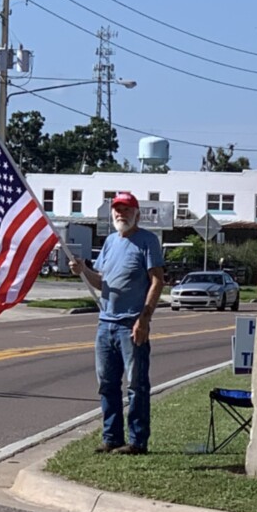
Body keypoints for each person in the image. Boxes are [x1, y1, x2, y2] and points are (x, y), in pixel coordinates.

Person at [70, 191, 165, 455]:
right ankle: (112, 437)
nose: (120, 214)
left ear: (137, 213)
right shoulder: (110, 242)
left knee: (136, 384)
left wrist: (144, 319)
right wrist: (83, 271)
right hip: (106, 323)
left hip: (131, 324)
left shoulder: (147, 241)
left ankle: (137, 441)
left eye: (126, 209)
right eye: (117, 209)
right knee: (107, 383)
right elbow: (101, 281)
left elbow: (157, 280)